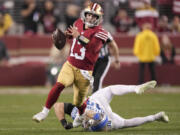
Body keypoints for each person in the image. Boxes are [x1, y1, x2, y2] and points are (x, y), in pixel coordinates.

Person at [33, 3, 110, 122]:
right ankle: (44, 111)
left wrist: (78, 36)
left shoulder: (102, 32)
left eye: (93, 16)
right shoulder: (78, 23)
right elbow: (73, 37)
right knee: (59, 85)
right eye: (88, 15)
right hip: (70, 64)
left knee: (78, 102)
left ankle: (81, 116)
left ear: (98, 18)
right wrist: (66, 35)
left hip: (85, 70)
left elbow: (92, 46)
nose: (90, 18)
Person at [54, 80, 169, 131]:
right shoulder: (80, 111)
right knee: (124, 122)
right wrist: (67, 124)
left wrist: (69, 123)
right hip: (106, 121)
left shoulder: (78, 112)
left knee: (125, 123)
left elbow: (58, 106)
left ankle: (155, 117)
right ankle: (135, 88)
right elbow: (95, 118)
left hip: (101, 113)